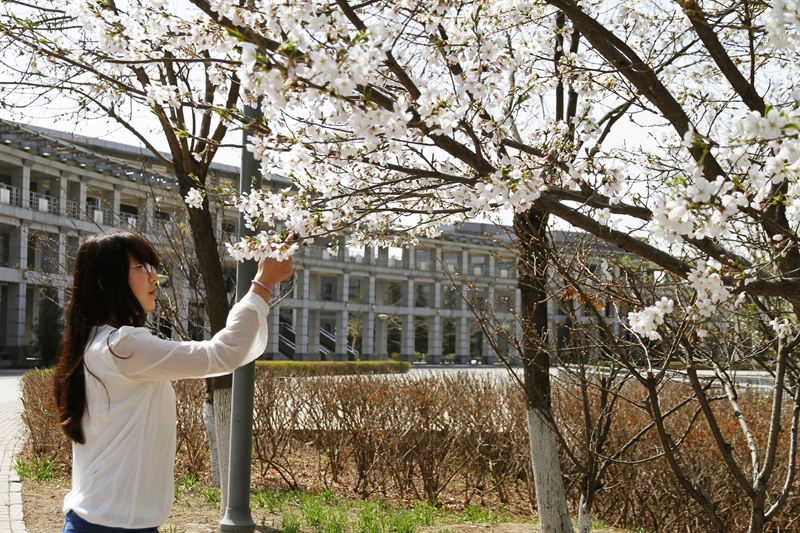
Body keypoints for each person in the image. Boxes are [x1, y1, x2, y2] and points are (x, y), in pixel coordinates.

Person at [52, 228, 293, 532]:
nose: (155, 277)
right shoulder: (122, 346)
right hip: (109, 525)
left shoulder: (95, 343)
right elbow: (221, 354)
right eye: (142, 267)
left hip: (104, 520)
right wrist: (262, 284)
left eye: (153, 267)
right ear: (104, 281)